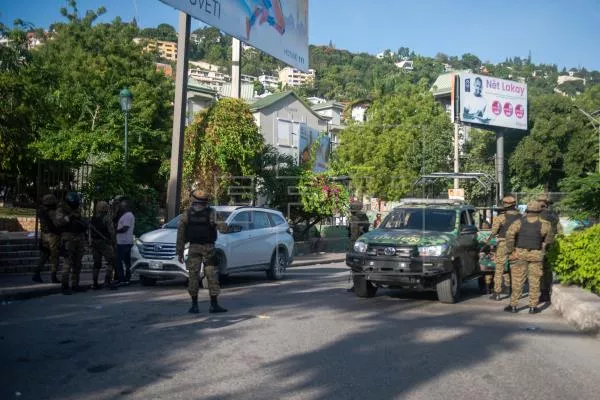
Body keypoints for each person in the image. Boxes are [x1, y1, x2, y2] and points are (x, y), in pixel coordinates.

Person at [176, 190, 227, 314]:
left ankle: (194, 306)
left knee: (193, 276)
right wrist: (219, 222)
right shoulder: (212, 213)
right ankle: (214, 305)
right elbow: (224, 229)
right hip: (209, 248)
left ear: (193, 200)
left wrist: (180, 252)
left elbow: (180, 235)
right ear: (206, 201)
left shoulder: (186, 214)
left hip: (193, 248)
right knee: (212, 276)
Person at [504, 201, 553, 314]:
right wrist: (543, 250)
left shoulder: (519, 222)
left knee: (517, 281)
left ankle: (513, 305)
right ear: (539, 211)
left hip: (519, 254)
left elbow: (509, 235)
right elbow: (549, 240)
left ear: (527, 210)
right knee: (535, 281)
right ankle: (533, 307)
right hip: (536, 256)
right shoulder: (545, 224)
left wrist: (511, 250)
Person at [486, 195, 520, 301]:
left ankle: (497, 293)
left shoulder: (501, 218)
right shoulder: (521, 217)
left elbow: (494, 232)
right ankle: (513, 290)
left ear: (505, 205)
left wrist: (488, 240)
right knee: (515, 268)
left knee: (499, 267)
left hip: (503, 243)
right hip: (517, 244)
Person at [54, 192, 88, 295]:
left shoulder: (77, 209)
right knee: (67, 263)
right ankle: (65, 286)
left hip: (79, 238)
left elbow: (81, 221)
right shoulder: (62, 210)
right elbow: (58, 222)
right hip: (68, 238)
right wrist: (69, 217)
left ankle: (75, 284)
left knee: (78, 263)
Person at [32, 194, 61, 284]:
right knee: (54, 257)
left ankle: (37, 273)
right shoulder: (51, 212)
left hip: (44, 235)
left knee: (44, 255)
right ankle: (53, 276)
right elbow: (57, 223)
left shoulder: (42, 210)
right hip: (53, 236)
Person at [537, 193, 561, 303]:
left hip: (538, 244)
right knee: (548, 269)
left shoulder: (533, 214)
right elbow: (560, 231)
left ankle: (542, 292)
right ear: (547, 203)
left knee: (540, 268)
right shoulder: (554, 215)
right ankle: (546, 291)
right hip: (550, 243)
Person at [90, 201, 117, 290]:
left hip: (95, 243)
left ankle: (95, 283)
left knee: (96, 263)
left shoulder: (93, 218)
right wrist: (113, 242)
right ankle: (107, 281)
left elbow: (90, 232)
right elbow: (112, 231)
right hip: (105, 243)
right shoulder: (107, 218)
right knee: (111, 261)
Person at [347, 199, 370, 292]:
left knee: (356, 267)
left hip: (356, 245)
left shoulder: (356, 218)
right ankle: (359, 286)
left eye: (351, 207)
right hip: (361, 245)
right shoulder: (364, 217)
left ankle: (357, 286)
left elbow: (354, 234)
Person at [115, 198, 135, 284]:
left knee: (118, 261)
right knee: (127, 261)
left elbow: (125, 228)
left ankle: (121, 278)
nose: (120, 207)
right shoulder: (128, 215)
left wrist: (115, 230)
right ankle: (127, 278)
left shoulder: (127, 216)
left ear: (125, 206)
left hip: (123, 242)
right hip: (126, 241)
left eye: (121, 206)